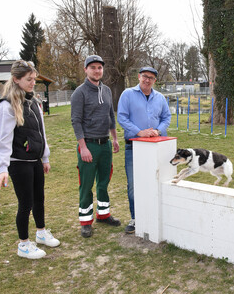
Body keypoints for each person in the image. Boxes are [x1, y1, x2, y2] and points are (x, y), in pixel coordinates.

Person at [0, 60, 60, 259]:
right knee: (26, 204)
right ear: (16, 79)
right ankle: (23, 244)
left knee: (39, 199)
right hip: (18, 163)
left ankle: (41, 232)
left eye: (34, 79)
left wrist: (45, 157)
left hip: (35, 161)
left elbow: (42, 132)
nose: (33, 82)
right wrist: (2, 168)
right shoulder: (7, 106)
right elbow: (3, 140)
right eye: (28, 79)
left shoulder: (34, 102)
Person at [71, 55, 121, 238]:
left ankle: (103, 214)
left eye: (99, 67)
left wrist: (114, 139)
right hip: (89, 145)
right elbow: (76, 121)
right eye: (92, 67)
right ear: (86, 69)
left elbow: (111, 117)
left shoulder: (107, 90)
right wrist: (83, 147)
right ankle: (85, 221)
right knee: (86, 185)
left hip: (105, 144)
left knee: (104, 182)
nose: (97, 70)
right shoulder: (79, 92)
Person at [117, 67, 171, 234]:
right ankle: (135, 218)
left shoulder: (160, 98)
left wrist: (159, 130)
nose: (147, 80)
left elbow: (166, 117)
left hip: (156, 147)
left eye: (151, 78)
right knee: (134, 184)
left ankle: (157, 216)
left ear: (155, 81)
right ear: (139, 77)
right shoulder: (127, 94)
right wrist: (139, 132)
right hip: (133, 146)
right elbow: (122, 117)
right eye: (145, 77)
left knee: (157, 180)